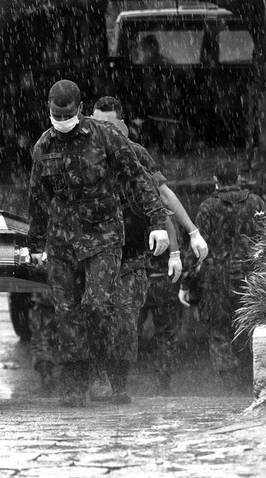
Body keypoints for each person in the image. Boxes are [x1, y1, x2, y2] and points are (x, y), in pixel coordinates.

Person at [27, 80, 170, 408]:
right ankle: (74, 383)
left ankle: (107, 374)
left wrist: (158, 223)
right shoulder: (43, 147)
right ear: (49, 110)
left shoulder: (105, 138)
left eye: (66, 114)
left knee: (97, 305)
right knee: (66, 312)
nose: (61, 119)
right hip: (62, 242)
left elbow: (138, 180)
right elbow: (37, 199)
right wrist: (34, 244)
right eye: (55, 114)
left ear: (79, 108)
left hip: (103, 237)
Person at [92, 96, 209, 393]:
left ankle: (115, 384)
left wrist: (190, 234)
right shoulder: (80, 153)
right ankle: (95, 378)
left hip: (129, 254)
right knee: (93, 316)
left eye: (107, 124)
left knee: (124, 322)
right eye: (94, 124)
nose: (99, 130)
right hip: (91, 253)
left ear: (122, 126)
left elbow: (162, 199)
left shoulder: (134, 154)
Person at [179, 163, 265, 388]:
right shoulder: (256, 203)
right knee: (252, 323)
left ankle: (228, 381)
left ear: (216, 178)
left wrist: (186, 282)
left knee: (218, 327)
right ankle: (252, 375)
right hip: (251, 276)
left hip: (216, 276)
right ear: (238, 177)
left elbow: (197, 248)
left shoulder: (208, 206)